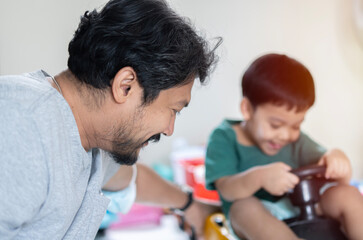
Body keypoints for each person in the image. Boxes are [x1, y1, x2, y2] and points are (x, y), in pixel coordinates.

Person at [0, 0, 221, 239]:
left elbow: (131, 179)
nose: (169, 129)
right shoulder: (21, 126)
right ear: (125, 86)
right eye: (173, 110)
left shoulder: (89, 138)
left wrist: (191, 205)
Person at [205, 53, 363, 240]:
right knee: (244, 208)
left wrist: (337, 158)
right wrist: (260, 177)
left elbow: (327, 167)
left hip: (300, 209)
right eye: (276, 125)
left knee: (346, 193)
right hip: (258, 222)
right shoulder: (225, 137)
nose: (286, 135)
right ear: (247, 109)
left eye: (296, 126)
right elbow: (226, 189)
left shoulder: (296, 140)